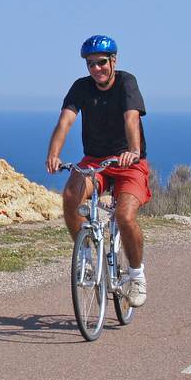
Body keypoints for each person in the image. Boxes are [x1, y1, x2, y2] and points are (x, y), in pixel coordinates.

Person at [46, 34, 151, 307]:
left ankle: (137, 276)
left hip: (129, 161)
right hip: (95, 161)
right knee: (70, 195)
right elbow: (65, 122)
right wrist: (54, 155)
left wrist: (133, 150)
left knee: (124, 216)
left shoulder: (127, 82)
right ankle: (85, 256)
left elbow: (131, 117)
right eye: (91, 64)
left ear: (113, 61)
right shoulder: (81, 88)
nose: (96, 69)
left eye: (101, 63)